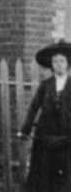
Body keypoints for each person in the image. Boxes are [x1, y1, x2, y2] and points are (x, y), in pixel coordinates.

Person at [19, 39, 71, 192]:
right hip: (46, 134)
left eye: (62, 61)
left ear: (68, 63)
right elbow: (34, 107)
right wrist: (26, 129)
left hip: (67, 135)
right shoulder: (46, 85)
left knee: (64, 175)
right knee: (43, 173)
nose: (58, 64)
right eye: (55, 61)